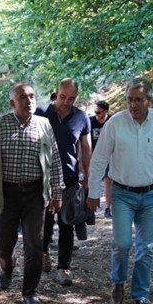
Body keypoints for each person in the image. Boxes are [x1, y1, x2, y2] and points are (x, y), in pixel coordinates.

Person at [88, 79, 153, 304]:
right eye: (129, 99)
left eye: (138, 100)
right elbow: (99, 159)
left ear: (149, 100)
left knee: (146, 248)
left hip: (151, 194)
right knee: (122, 244)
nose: (133, 105)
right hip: (122, 193)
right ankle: (118, 280)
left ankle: (140, 297)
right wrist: (93, 192)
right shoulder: (115, 124)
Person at [0, 82, 64, 304]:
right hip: (6, 193)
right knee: (4, 244)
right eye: (23, 97)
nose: (29, 101)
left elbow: (54, 160)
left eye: (32, 96)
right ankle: (7, 266)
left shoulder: (44, 125)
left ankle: (30, 292)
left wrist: (57, 192)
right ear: (12, 103)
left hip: (35, 194)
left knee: (34, 244)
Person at [36, 78, 92, 286]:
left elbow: (86, 148)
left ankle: (64, 267)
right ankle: (43, 252)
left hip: (69, 176)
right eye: (63, 97)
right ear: (56, 93)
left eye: (71, 98)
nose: (66, 102)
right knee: (45, 221)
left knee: (67, 222)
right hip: (43, 175)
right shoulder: (41, 113)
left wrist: (87, 176)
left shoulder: (81, 117)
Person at [89, 100, 113, 218]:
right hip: (94, 156)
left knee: (108, 182)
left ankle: (108, 208)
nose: (96, 115)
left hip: (109, 156)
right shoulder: (90, 122)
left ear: (105, 111)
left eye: (98, 112)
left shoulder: (112, 121)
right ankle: (90, 208)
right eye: (95, 112)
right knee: (93, 181)